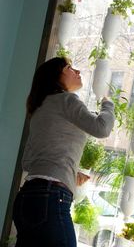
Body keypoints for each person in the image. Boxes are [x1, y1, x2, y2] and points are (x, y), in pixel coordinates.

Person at [12, 57, 115, 247]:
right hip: (50, 199)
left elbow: (28, 162)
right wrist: (108, 105)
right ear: (55, 76)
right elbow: (101, 128)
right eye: (69, 67)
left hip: (27, 197)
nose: (78, 71)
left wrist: (69, 172)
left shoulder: (39, 108)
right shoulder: (66, 99)